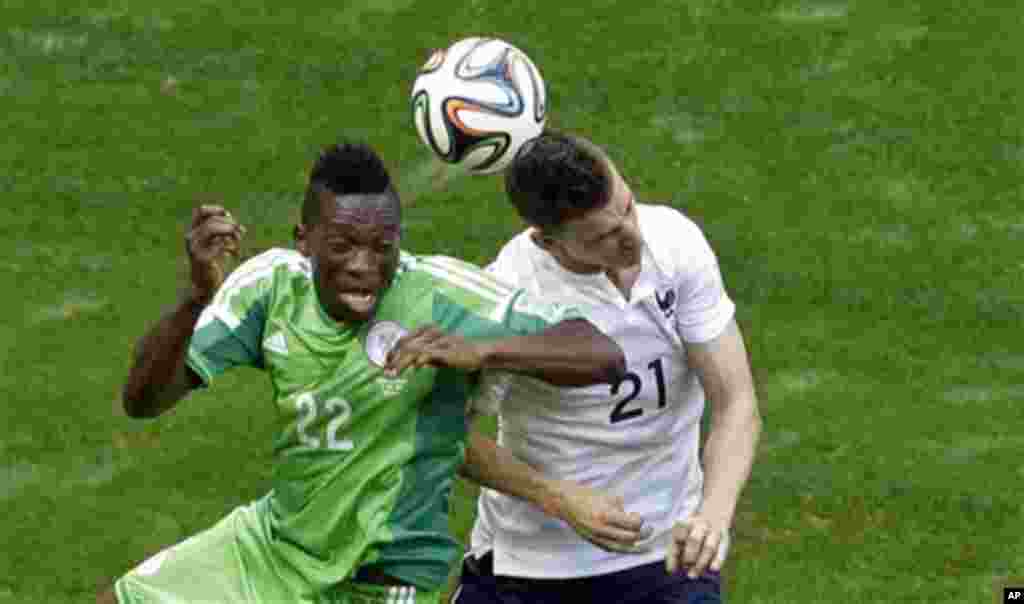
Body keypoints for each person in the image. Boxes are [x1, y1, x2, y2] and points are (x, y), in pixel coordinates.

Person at [98, 140, 628, 604]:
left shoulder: (444, 294)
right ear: (304, 240)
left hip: (384, 581)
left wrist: (482, 351)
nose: (363, 264)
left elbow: (602, 353)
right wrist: (196, 298)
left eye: (382, 247)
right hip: (277, 550)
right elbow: (143, 401)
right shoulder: (269, 288)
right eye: (343, 245)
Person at [454, 131, 762, 604]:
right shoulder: (507, 296)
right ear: (548, 242)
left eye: (628, 208)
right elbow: (447, 436)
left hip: (668, 558)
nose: (632, 237)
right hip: (530, 568)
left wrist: (712, 517)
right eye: (602, 237)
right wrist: (557, 499)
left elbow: (736, 401)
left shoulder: (675, 243)